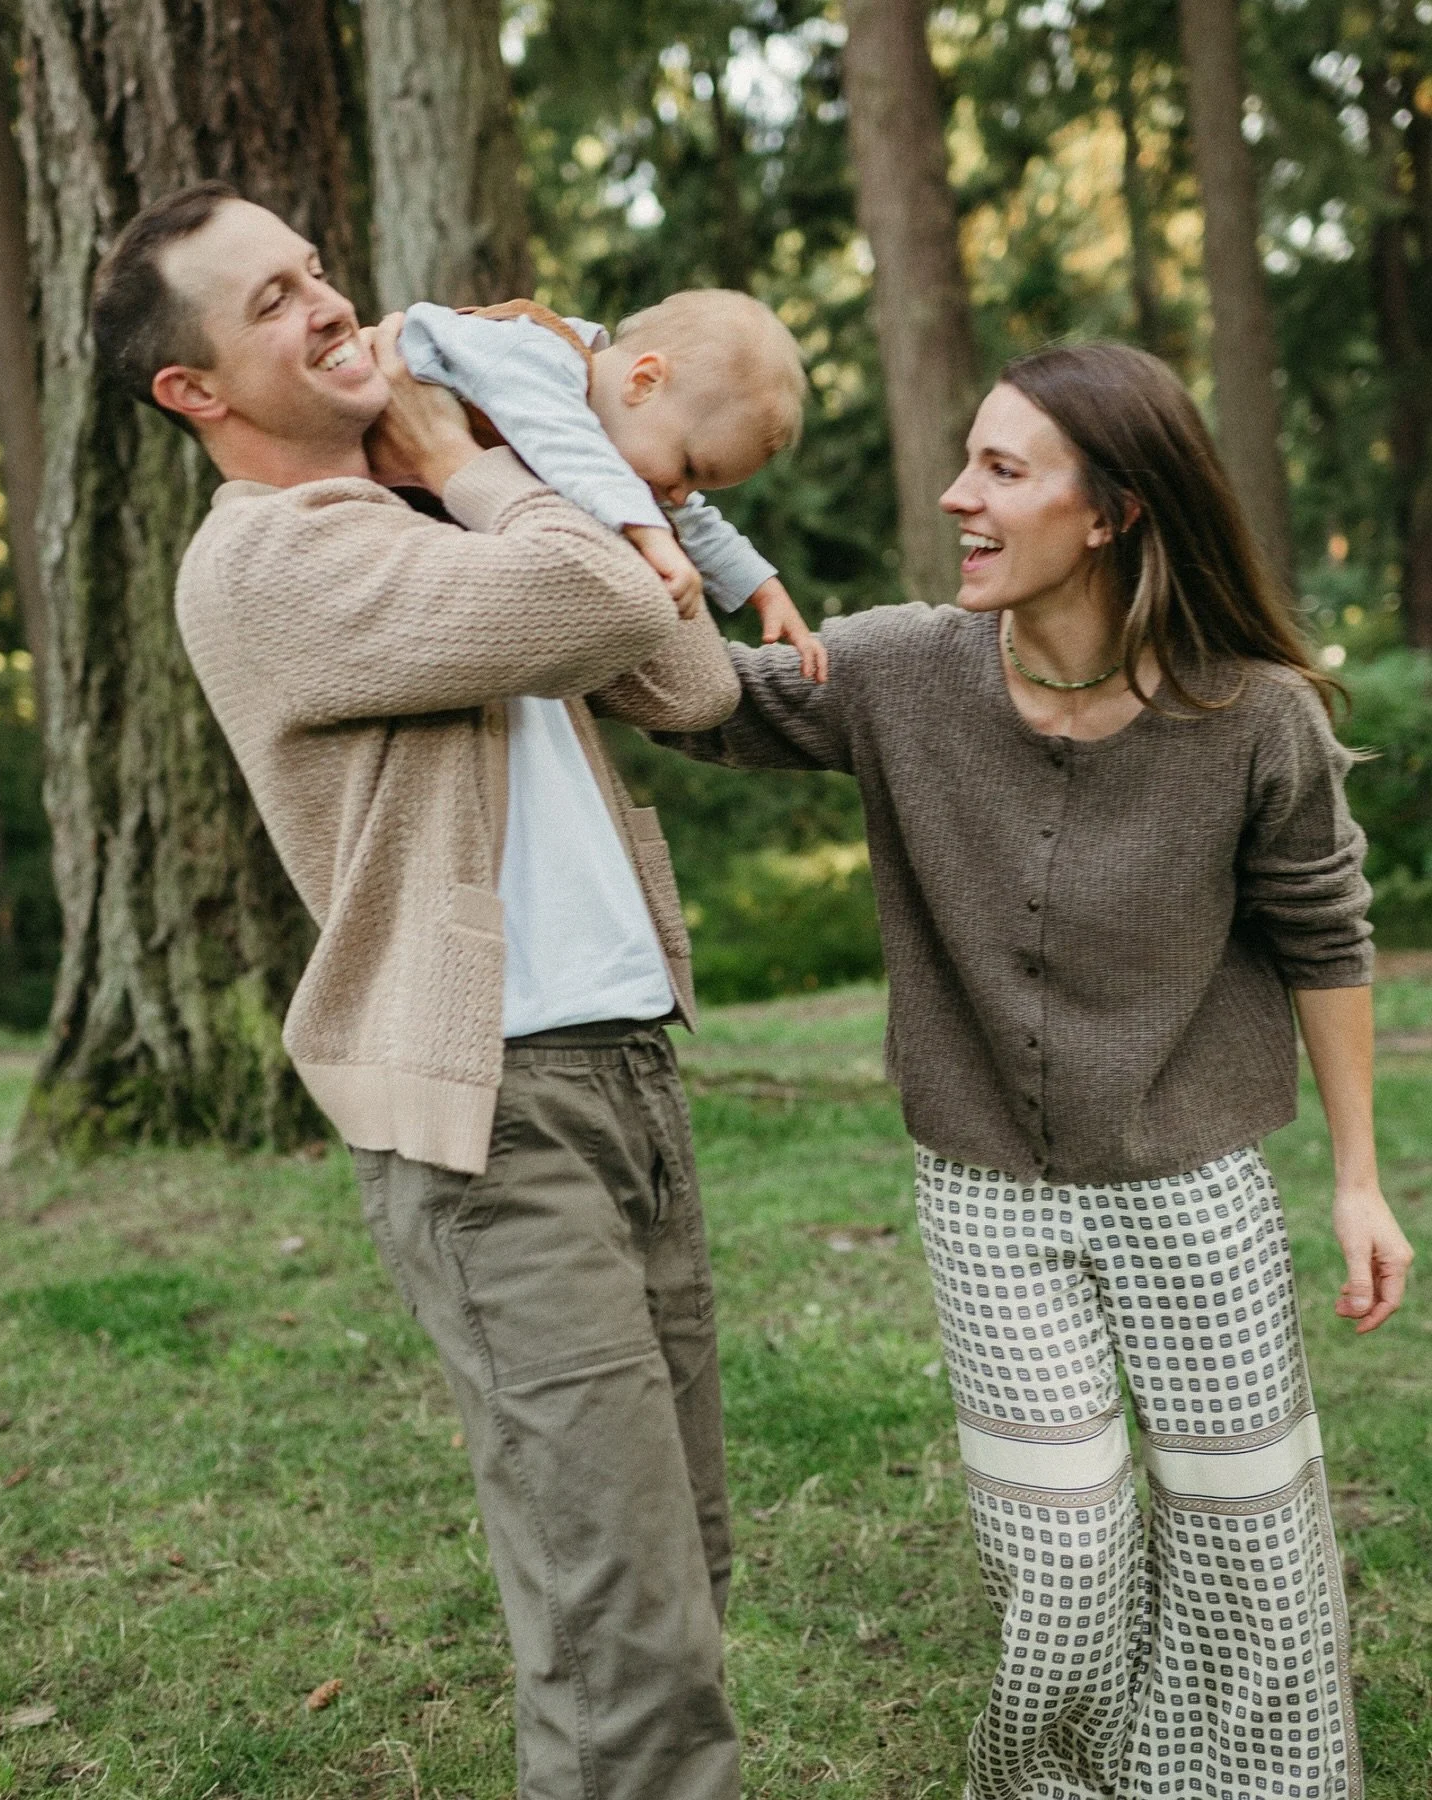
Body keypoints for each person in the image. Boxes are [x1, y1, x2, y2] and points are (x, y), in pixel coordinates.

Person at [659, 341, 1413, 1800]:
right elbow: (689, 693)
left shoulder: (1256, 717)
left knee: (1249, 1544)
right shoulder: (896, 671)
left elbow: (1330, 938)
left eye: (1003, 469)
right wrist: (570, 485)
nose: (957, 495)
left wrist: (1361, 1182)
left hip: (1193, 1185)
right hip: (988, 1199)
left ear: (1117, 510)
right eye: (968, 461)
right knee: (1064, 1564)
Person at [90, 179, 744, 1800]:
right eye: (270, 303)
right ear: (193, 391)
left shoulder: (432, 525)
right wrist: (471, 465)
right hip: (496, 1126)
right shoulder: (269, 563)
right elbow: (607, 599)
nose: (329, 307)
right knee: (626, 1649)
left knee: (679, 1589)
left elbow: (694, 674)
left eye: (318, 272)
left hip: (626, 1082)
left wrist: (482, 477)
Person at [399, 291, 827, 680]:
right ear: (644, 382)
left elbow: (690, 518)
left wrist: (763, 589)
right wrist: (652, 537)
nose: (679, 494)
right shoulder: (533, 356)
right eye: (688, 466)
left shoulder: (619, 449)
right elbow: (569, 447)